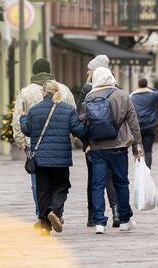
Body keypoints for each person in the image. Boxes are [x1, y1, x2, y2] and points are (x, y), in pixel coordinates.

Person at [20, 80, 88, 234]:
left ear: (44, 92)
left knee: (43, 191)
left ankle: (44, 225)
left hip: (41, 159)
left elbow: (27, 131)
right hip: (60, 159)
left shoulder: (34, 110)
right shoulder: (68, 110)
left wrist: (23, 118)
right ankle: (55, 211)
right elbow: (79, 130)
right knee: (62, 186)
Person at [82, 66, 142, 234]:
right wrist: (137, 145)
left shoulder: (89, 96)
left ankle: (99, 222)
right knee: (121, 183)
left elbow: (82, 122)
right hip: (119, 146)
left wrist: (87, 143)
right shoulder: (123, 95)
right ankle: (124, 220)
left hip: (97, 148)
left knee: (97, 184)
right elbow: (134, 123)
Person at [12, 58, 76, 218]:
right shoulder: (64, 90)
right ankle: (56, 213)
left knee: (39, 184)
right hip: (60, 145)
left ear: (33, 71)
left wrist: (22, 143)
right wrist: (71, 137)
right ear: (49, 70)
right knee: (60, 182)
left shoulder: (25, 92)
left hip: (34, 144)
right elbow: (74, 115)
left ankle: (41, 215)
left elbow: (18, 119)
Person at [81, 54, 118, 226]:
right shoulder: (116, 88)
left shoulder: (87, 89)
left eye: (90, 68)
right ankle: (117, 213)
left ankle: (93, 217)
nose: (87, 71)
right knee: (111, 178)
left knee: (94, 179)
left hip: (93, 142)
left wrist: (85, 142)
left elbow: (82, 116)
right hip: (113, 139)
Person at [130, 78, 158, 167]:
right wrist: (152, 89)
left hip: (137, 127)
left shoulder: (132, 96)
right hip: (150, 126)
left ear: (138, 85)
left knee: (137, 149)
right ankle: (147, 170)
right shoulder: (153, 95)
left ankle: (139, 168)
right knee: (148, 151)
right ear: (146, 85)